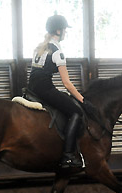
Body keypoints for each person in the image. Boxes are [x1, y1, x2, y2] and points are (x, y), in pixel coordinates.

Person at [28, 14, 90, 169]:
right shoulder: (57, 51)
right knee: (76, 112)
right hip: (45, 89)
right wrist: (83, 100)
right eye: (64, 30)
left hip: (31, 88)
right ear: (58, 31)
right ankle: (68, 156)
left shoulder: (40, 47)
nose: (65, 33)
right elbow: (67, 83)